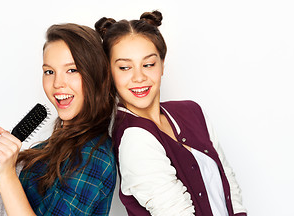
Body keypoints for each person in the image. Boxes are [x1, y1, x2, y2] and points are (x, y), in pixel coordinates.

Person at [95, 11, 247, 216]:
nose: (139, 77)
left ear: (162, 65)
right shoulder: (134, 140)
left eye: (148, 64)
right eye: (124, 67)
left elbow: (230, 188)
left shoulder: (193, 112)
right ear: (110, 73)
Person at [0, 23, 117, 216]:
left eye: (72, 70)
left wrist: (6, 175)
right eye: (49, 71)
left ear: (96, 74)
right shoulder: (51, 147)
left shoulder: (94, 157)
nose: (57, 83)